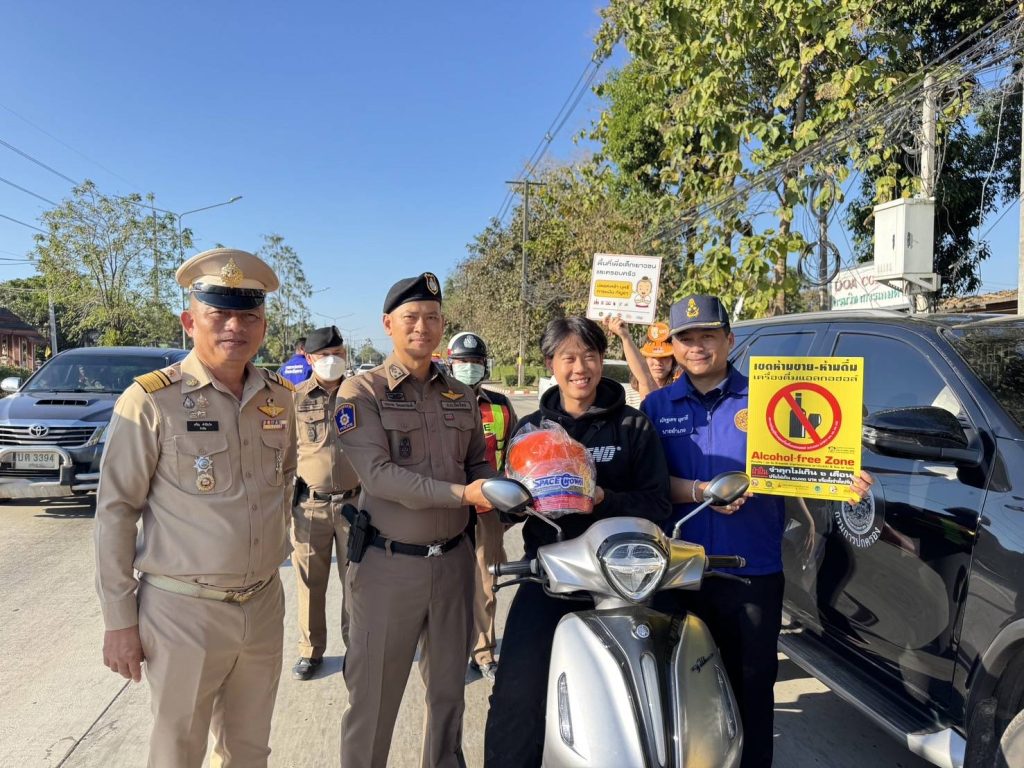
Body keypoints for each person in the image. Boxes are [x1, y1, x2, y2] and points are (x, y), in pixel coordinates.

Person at [641, 293, 872, 768]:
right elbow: (647, 485)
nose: (697, 346)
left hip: (751, 571)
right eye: (686, 338)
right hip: (677, 573)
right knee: (677, 693)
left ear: (729, 339)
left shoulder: (769, 397)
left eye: (708, 335)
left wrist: (840, 476)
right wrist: (703, 491)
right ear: (673, 347)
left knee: (752, 689)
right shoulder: (655, 407)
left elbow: (809, 458)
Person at [94, 247, 296, 768]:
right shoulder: (150, 400)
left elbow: (284, 484)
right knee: (178, 752)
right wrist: (119, 620)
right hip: (183, 612)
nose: (235, 327)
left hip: (262, 604)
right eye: (219, 314)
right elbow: (116, 511)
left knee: (249, 750)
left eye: (248, 315)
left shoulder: (280, 398)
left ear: (263, 326)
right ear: (189, 322)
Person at [483, 316, 672, 768]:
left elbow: (658, 504)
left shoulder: (633, 426)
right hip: (548, 576)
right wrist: (517, 501)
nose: (580, 368)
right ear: (551, 363)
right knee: (516, 694)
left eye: (589, 356)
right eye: (568, 357)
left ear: (602, 360)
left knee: (646, 696)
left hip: (623, 585)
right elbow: (509, 510)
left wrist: (603, 498)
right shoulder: (532, 430)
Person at [334, 272, 495, 768]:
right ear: (388, 324)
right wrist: (463, 495)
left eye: (432, 317)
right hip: (389, 568)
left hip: (453, 565)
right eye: (411, 317)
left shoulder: (461, 395)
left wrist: (506, 487)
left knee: (448, 696)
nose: (422, 326)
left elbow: (478, 463)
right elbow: (379, 476)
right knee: (373, 701)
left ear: (442, 324)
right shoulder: (361, 391)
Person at [446, 331, 518, 682]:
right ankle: (446, 652)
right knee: (445, 586)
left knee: (486, 585)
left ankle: (484, 652)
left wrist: (510, 507)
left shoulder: (501, 406)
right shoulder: (436, 402)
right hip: (447, 508)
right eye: (463, 362)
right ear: (450, 364)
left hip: (488, 512)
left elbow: (515, 454)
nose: (469, 368)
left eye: (475, 362)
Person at [290, 325, 361, 681]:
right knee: (309, 582)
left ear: (345, 355)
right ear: (309, 358)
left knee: (356, 581)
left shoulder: (361, 395)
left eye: (337, 354)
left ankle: (356, 647)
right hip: (310, 507)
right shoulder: (295, 398)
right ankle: (310, 650)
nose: (331, 361)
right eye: (324, 356)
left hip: (354, 505)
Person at [604, 317, 679, 404]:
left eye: (664, 357)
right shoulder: (625, 396)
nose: (658, 362)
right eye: (652, 357)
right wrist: (624, 336)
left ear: (673, 359)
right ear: (643, 359)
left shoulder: (680, 394)